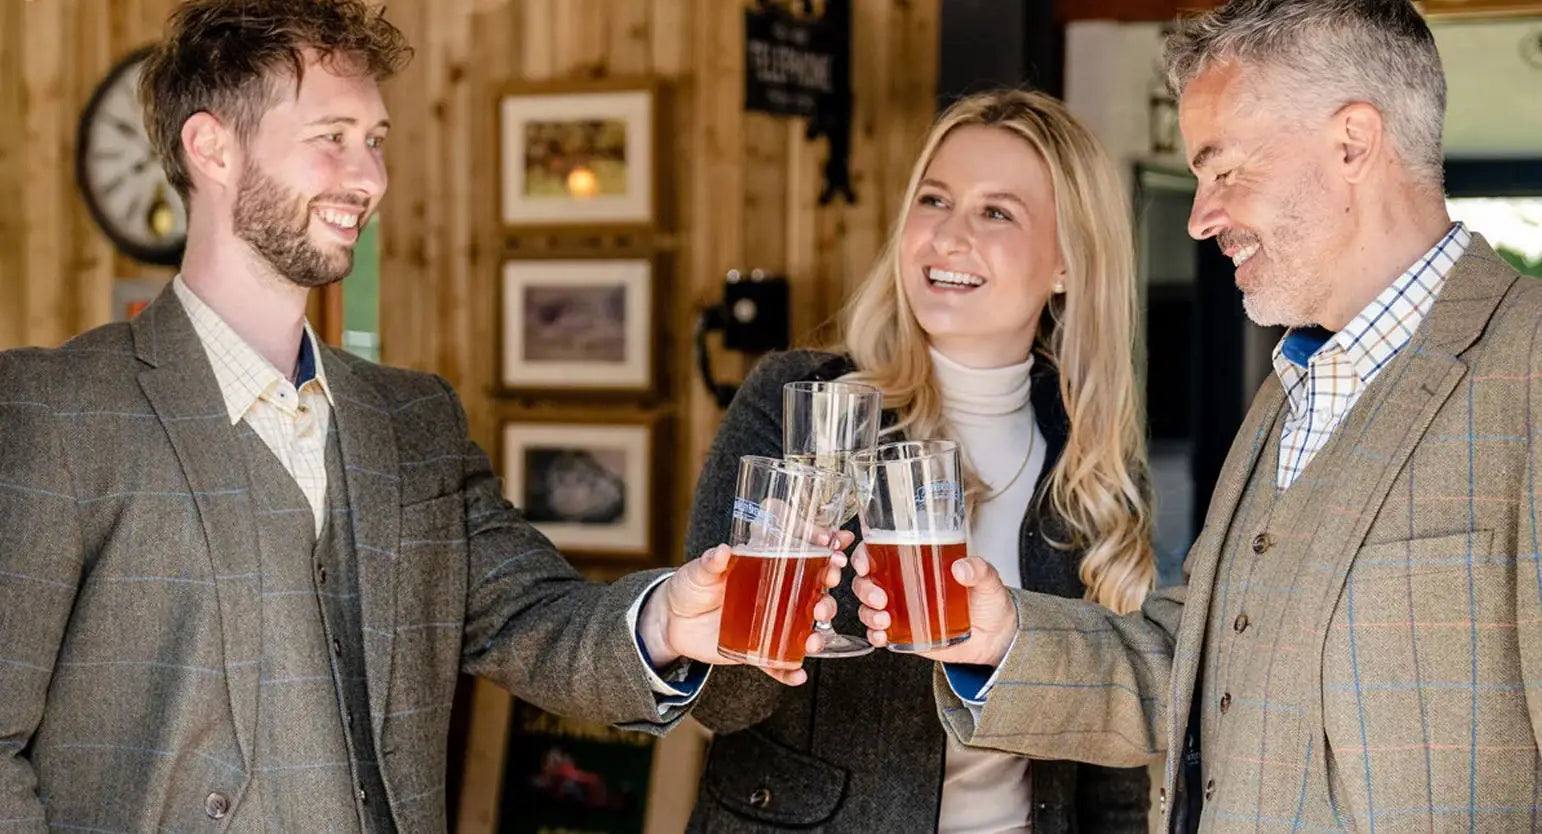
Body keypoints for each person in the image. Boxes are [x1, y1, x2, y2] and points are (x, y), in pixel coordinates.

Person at [0, 1, 844, 830]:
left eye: (374, 141)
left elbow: (533, 618)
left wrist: (663, 618)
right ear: (211, 146)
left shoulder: (414, 422)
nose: (368, 178)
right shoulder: (56, 413)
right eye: (330, 138)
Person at [855, 1, 1542, 831]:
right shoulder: (1293, 386)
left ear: (1353, 143)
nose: (1200, 215)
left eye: (1225, 170)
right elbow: (1199, 664)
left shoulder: (1526, 364)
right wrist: (1004, 640)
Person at [683, 88, 1157, 833]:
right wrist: (770, 594)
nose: (948, 236)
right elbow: (720, 704)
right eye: (934, 200)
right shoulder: (799, 401)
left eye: (996, 212)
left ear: (1067, 263)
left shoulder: (1091, 458)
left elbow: (1111, 748)